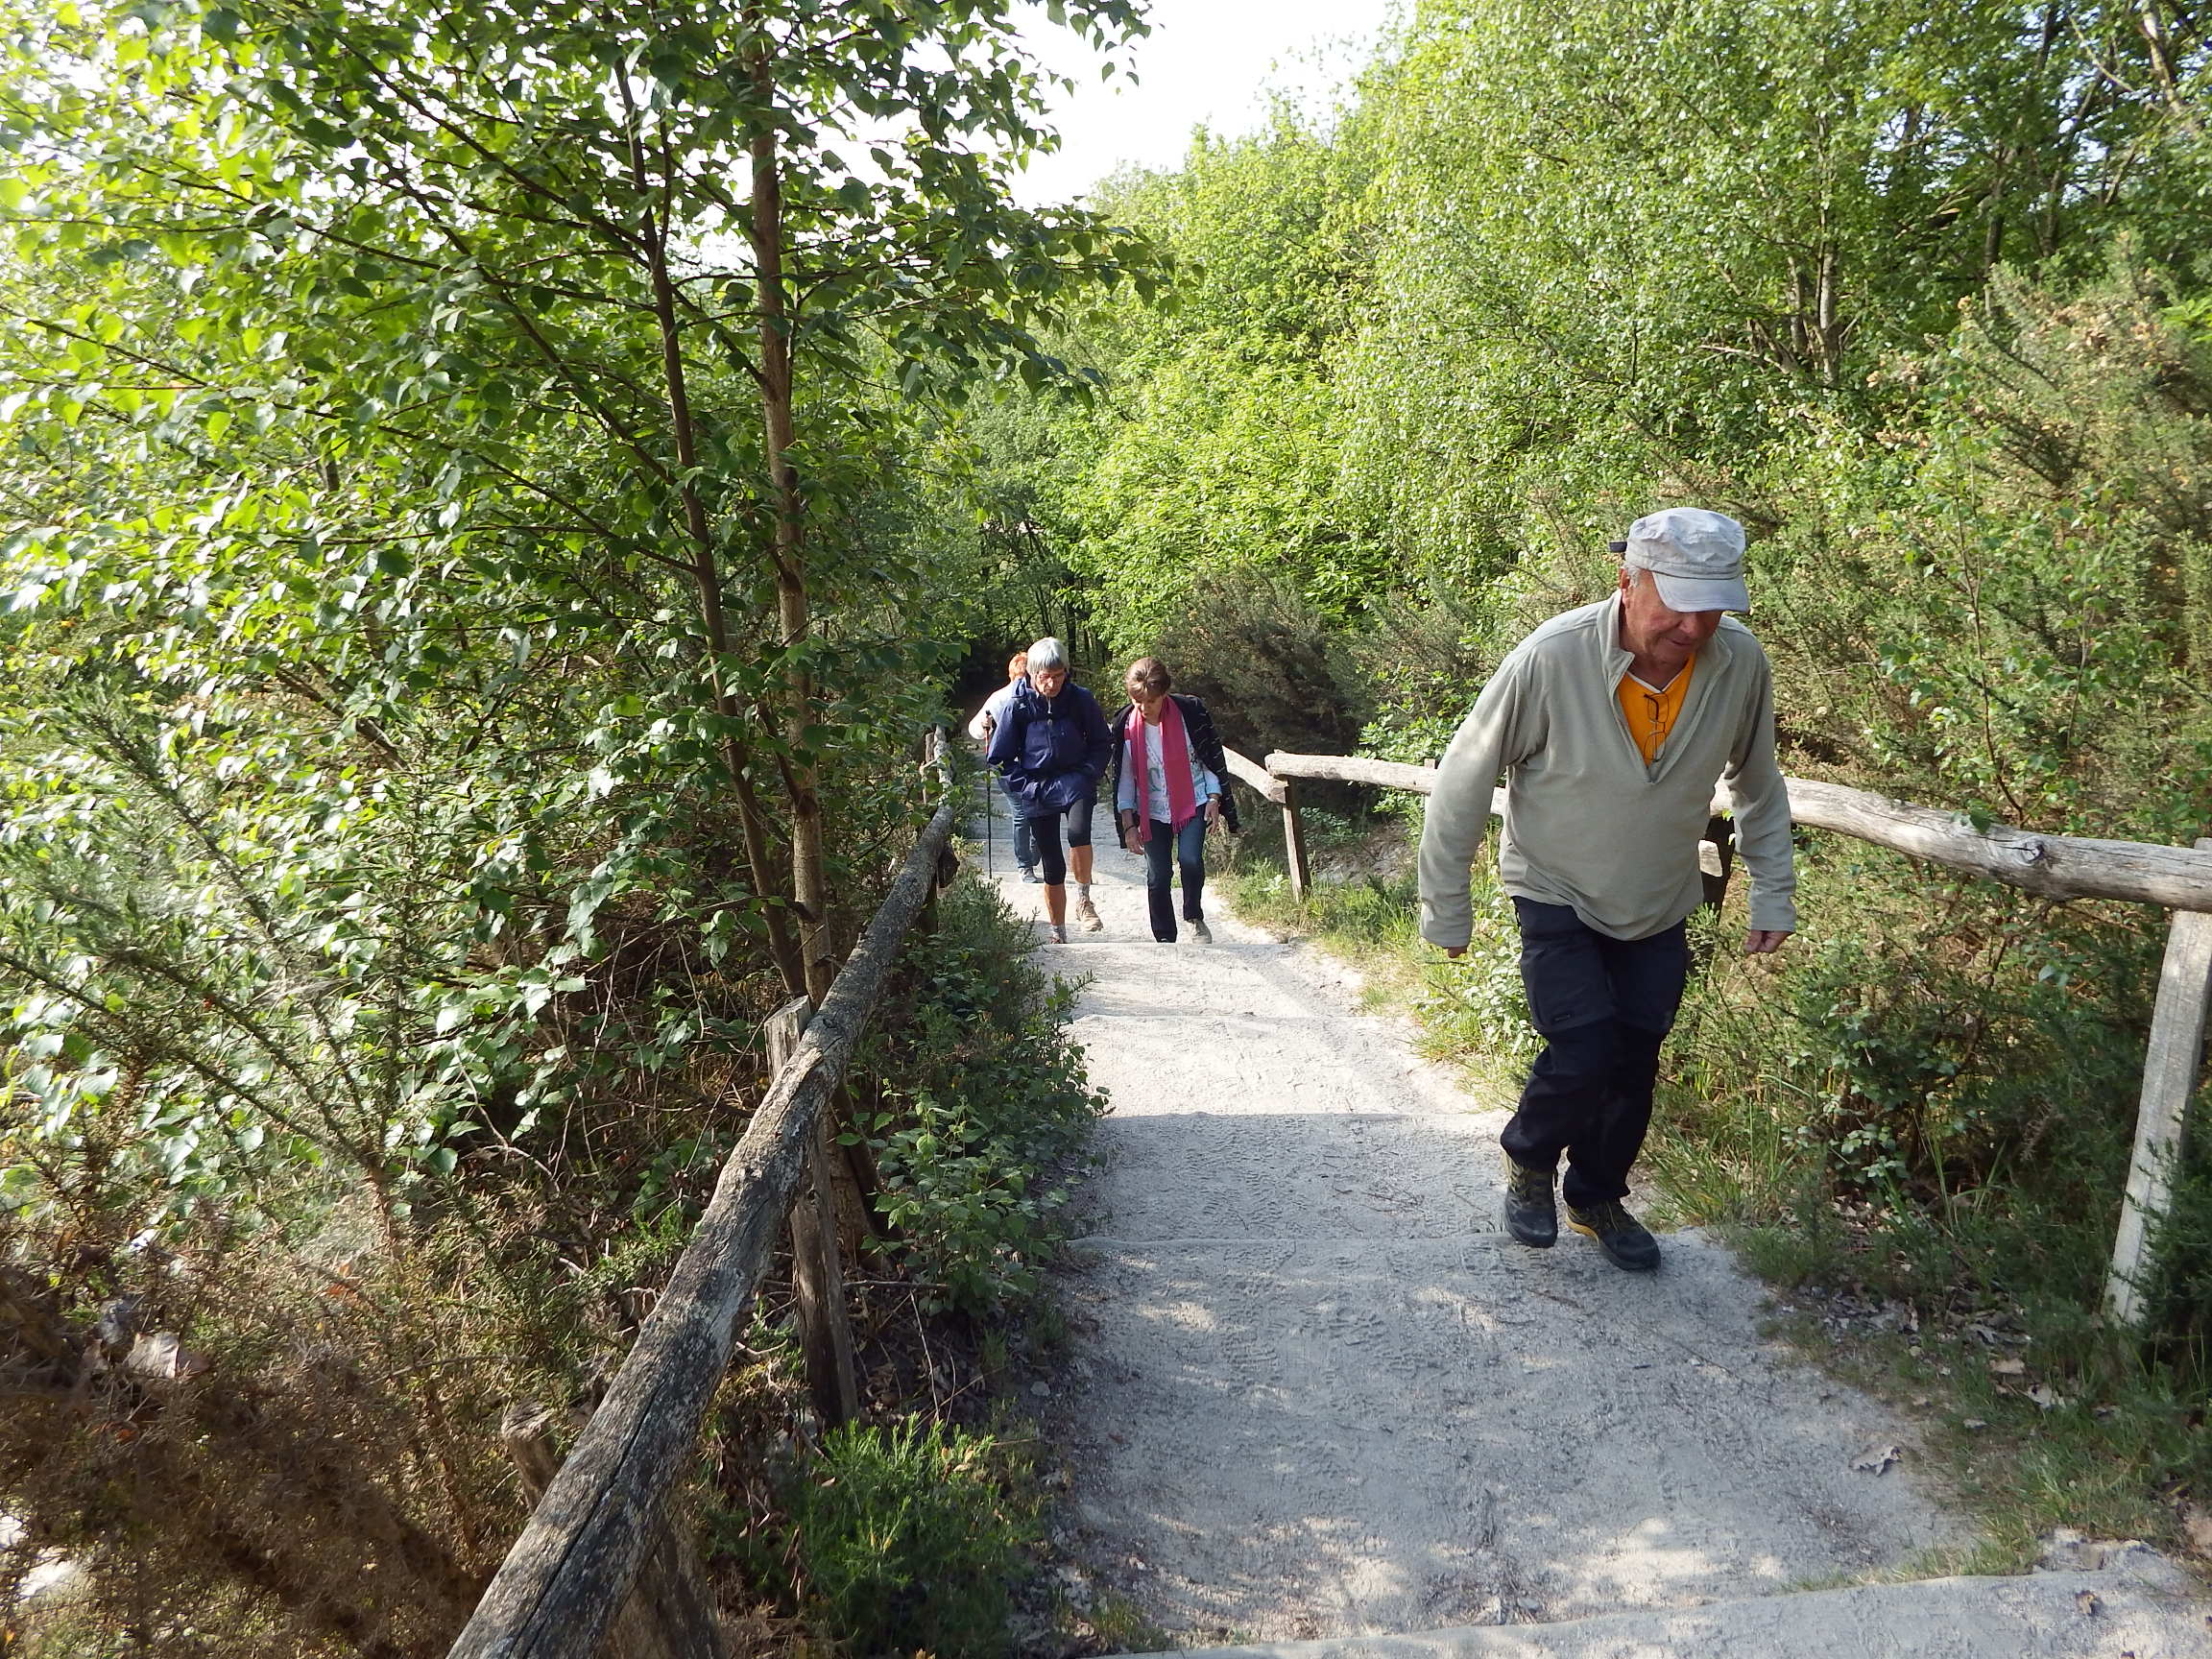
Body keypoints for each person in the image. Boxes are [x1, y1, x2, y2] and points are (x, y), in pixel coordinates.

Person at [1417, 508, 1795, 1272]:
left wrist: (1773, 891)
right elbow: (1464, 778)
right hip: (1555, 885)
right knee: (1584, 1042)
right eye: (1678, 605)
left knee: (1634, 1059)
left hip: (1658, 897)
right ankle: (1530, 1158)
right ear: (1627, 581)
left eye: (1714, 607)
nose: (1695, 627)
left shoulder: (1738, 662)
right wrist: (1446, 908)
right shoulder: (1552, 658)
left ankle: (1595, 1195)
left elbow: (1757, 781)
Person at [988, 637, 1113, 943]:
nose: (1052, 683)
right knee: (1052, 863)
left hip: (1075, 780)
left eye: (1059, 676)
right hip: (1037, 786)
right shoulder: (1017, 705)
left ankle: (1084, 900)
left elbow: (1101, 742)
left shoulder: (1080, 699)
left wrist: (1089, 773)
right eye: (1046, 676)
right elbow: (1000, 758)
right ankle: (1058, 931)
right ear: (1032, 673)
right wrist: (1025, 786)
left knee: (1079, 833)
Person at [1109, 658, 1240, 944]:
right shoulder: (1124, 725)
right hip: (1151, 809)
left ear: (1165, 694)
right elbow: (1124, 778)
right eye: (1137, 701)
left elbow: (1208, 758)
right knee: (1158, 875)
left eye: (1151, 701)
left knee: (1190, 860)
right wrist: (1128, 823)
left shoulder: (1190, 713)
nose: (1143, 708)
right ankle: (1165, 937)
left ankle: (1194, 916)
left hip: (1193, 799)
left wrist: (1214, 797)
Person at [968, 650, 1039, 881]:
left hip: (1031, 765)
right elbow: (975, 730)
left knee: (1037, 810)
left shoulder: (1039, 696)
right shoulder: (1001, 698)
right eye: (1021, 677)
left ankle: (1031, 854)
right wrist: (984, 723)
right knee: (1022, 813)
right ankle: (1025, 865)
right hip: (1010, 766)